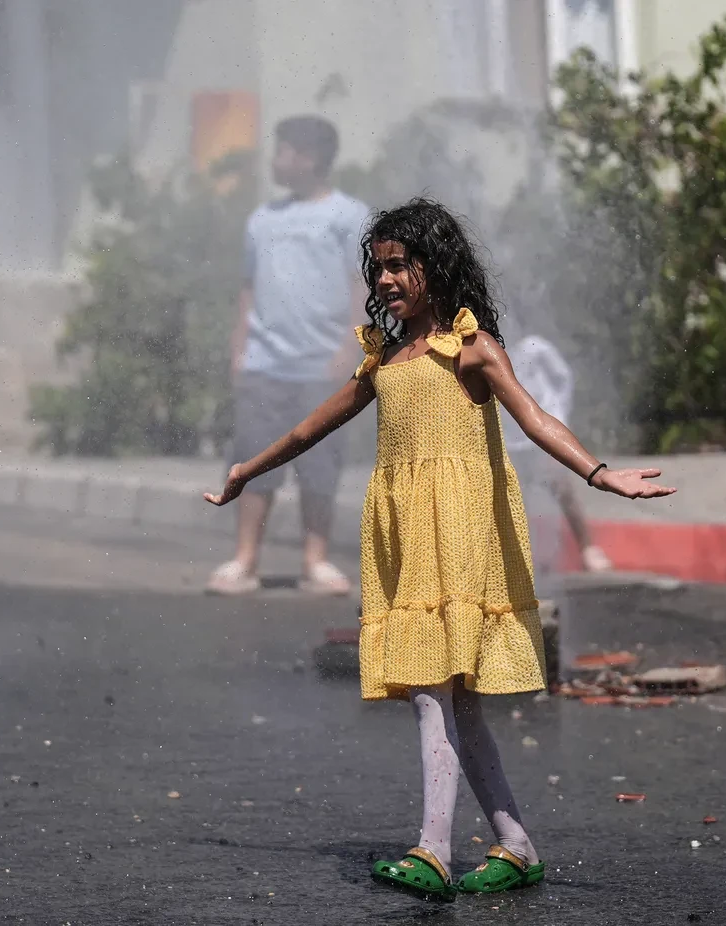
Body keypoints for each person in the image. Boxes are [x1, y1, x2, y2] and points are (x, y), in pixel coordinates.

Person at [205, 198, 675, 899]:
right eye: (380, 267)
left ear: (436, 265)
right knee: (460, 703)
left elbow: (536, 417)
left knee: (431, 691)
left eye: (402, 265)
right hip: (405, 532)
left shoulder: (470, 346)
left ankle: (432, 849)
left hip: (458, 532)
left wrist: (601, 474)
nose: (388, 278)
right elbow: (311, 429)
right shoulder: (386, 358)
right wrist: (249, 467)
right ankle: (516, 845)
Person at [206, 115, 369, 597]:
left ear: (311, 158)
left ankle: (314, 562)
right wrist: (239, 349)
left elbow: (364, 286)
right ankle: (245, 559)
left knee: (320, 465)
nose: (276, 160)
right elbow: (248, 290)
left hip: (323, 366)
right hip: (266, 365)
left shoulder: (349, 216)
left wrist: (351, 347)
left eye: (284, 151)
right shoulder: (262, 220)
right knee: (253, 459)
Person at [501, 316, 613, 574]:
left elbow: (563, 378)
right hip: (513, 441)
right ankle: (527, 557)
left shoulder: (534, 347)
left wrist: (559, 417)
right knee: (520, 500)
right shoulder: (494, 351)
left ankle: (588, 548)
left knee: (562, 489)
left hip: (543, 435)